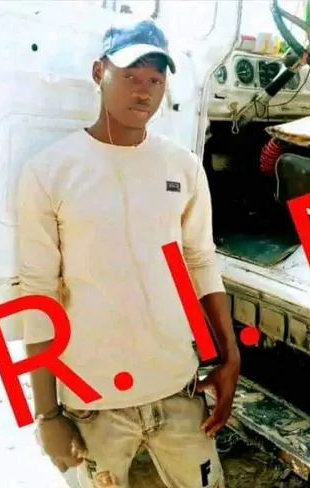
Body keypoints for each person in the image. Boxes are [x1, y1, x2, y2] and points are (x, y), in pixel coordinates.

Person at [17, 17, 240, 488]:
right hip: (92, 402)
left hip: (178, 390)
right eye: (131, 76)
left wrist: (229, 358)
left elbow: (200, 262)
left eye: (155, 80)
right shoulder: (50, 171)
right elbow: (38, 294)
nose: (143, 91)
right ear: (99, 73)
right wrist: (46, 414)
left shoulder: (182, 166)